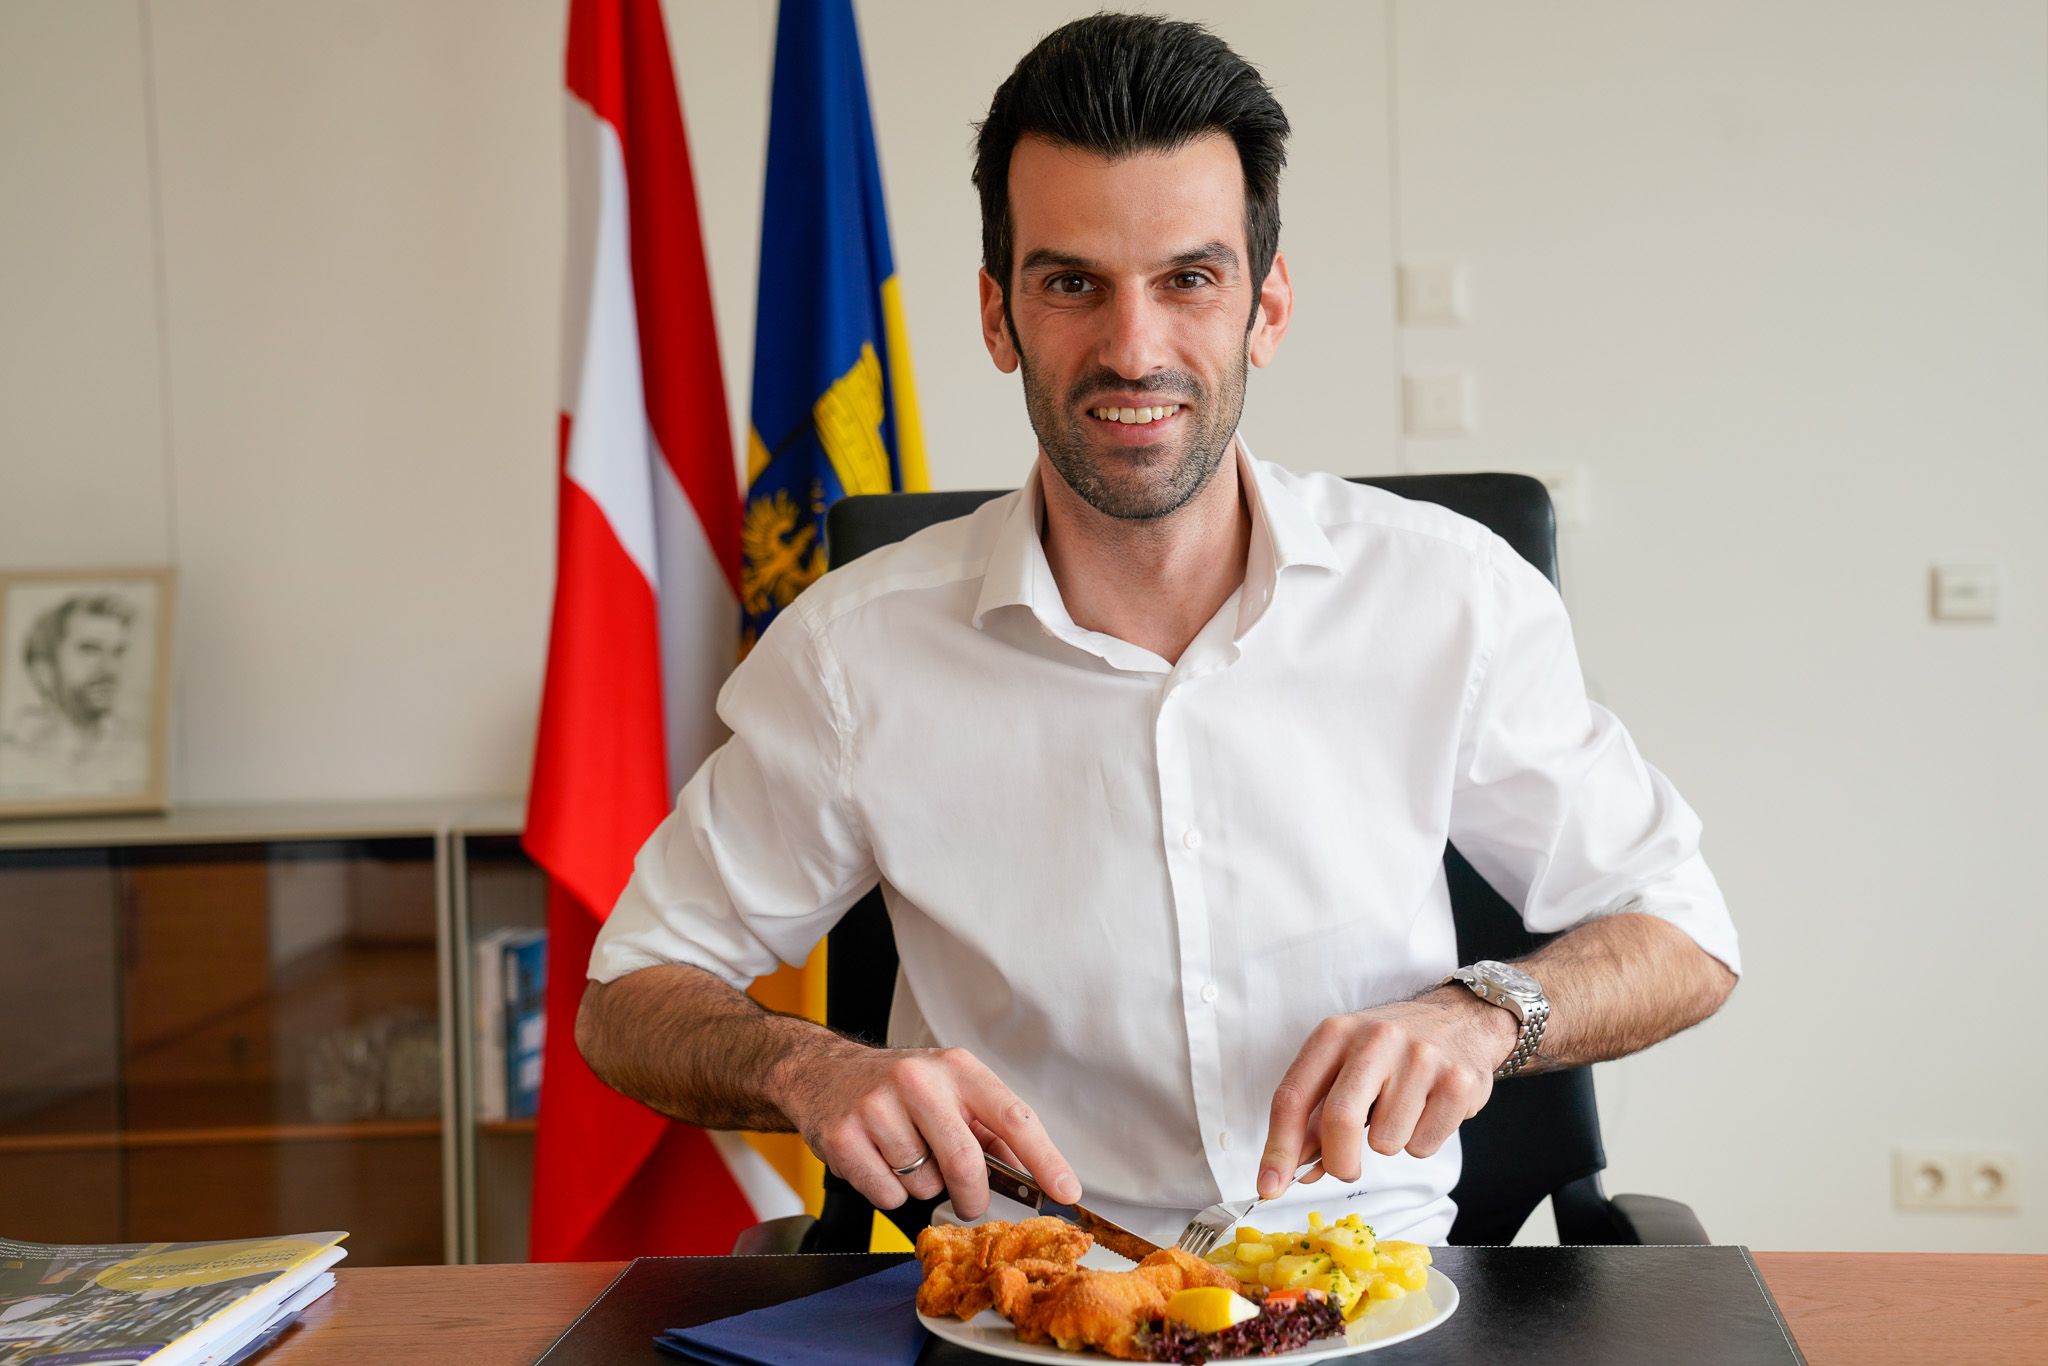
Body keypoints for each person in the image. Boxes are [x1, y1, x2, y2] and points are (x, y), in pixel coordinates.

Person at [578, 13, 1739, 1246]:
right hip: (1026, 1309)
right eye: (1070, 282)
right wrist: (810, 1069)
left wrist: (1479, 1014)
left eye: (1187, 279)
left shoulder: (1450, 595)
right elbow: (628, 996)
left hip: (1377, 1300)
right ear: (995, 315)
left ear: (1265, 306)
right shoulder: (850, 652)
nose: (1132, 349)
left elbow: (1681, 932)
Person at [0, 592, 147, 796]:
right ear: (44, 671)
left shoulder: (140, 756)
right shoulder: (10, 756)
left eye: (117, 652)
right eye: (90, 650)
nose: (110, 669)